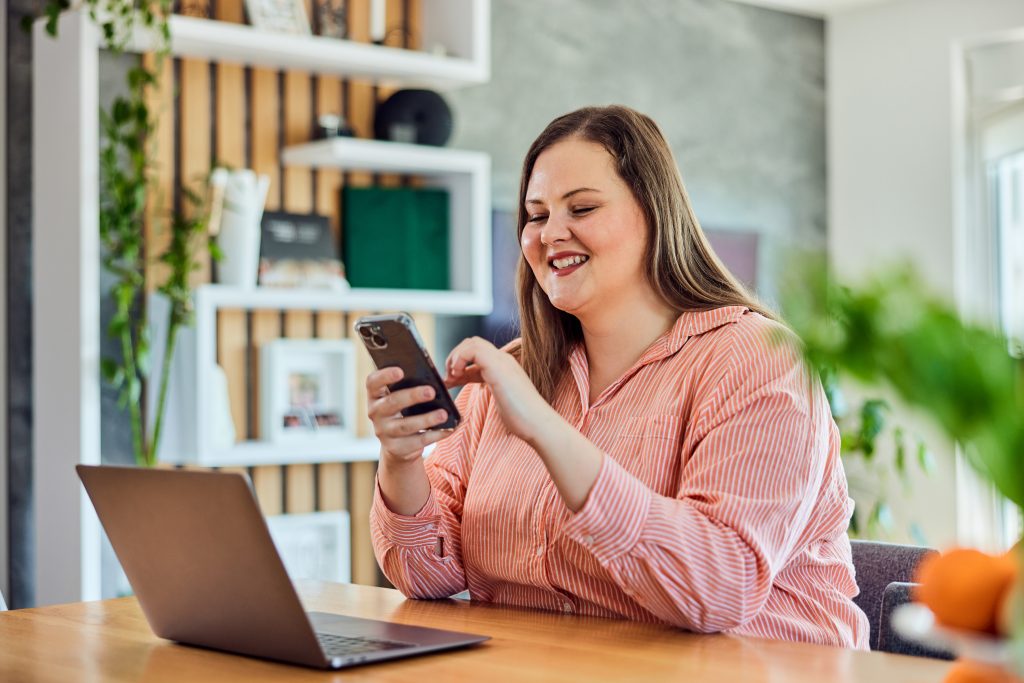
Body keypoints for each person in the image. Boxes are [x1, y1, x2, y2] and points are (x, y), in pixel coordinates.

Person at [367, 105, 870, 649]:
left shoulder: (757, 359)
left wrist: (543, 427)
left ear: (654, 213)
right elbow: (428, 577)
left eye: (581, 207)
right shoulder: (518, 369)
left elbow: (718, 591)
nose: (550, 233)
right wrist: (402, 460)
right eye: (535, 216)